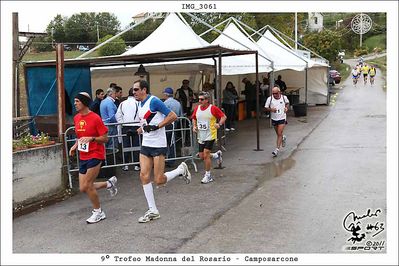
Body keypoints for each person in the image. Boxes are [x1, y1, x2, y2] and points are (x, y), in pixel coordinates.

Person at [133, 80, 191, 223]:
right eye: (133, 90)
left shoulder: (154, 101)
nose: (133, 92)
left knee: (159, 180)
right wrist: (139, 130)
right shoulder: (139, 104)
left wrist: (157, 127)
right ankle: (153, 210)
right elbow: (147, 122)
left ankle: (180, 170)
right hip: (146, 144)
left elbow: (172, 116)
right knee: (143, 176)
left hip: (158, 144)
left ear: (144, 90)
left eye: (136, 89)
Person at [69, 92, 118, 224]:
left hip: (96, 154)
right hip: (83, 155)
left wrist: (92, 138)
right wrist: (75, 146)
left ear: (84, 103)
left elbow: (105, 138)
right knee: (83, 188)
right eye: (75, 101)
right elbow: (80, 137)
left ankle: (98, 212)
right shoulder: (77, 118)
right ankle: (109, 184)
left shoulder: (95, 118)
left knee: (88, 185)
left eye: (77, 101)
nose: (75, 103)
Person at [192, 91, 226, 184]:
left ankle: (208, 175)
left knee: (206, 154)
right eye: (199, 99)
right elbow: (194, 118)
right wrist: (194, 126)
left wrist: (219, 124)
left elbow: (223, 117)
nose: (200, 101)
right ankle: (216, 155)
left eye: (202, 99)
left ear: (207, 100)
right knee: (201, 155)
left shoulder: (213, 108)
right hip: (201, 135)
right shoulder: (197, 108)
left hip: (210, 135)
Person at [115, 87, 141, 172]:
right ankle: (137, 165)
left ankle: (125, 164)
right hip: (136, 126)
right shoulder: (138, 103)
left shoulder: (122, 103)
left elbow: (118, 116)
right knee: (136, 145)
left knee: (125, 146)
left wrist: (122, 123)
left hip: (125, 126)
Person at [264, 87, 290, 157]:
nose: (275, 95)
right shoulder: (270, 99)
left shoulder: (284, 97)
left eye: (276, 93)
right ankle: (283, 137)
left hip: (282, 118)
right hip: (274, 118)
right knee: (278, 134)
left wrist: (286, 108)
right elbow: (265, 108)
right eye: (273, 93)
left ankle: (276, 150)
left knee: (279, 133)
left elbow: (287, 103)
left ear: (279, 92)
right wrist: (271, 109)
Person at [162, 87, 183, 167]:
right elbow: (180, 115)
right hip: (175, 124)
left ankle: (164, 159)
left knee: (164, 142)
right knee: (172, 142)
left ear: (166, 94)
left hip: (166, 124)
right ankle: (171, 160)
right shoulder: (177, 103)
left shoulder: (165, 103)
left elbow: (163, 115)